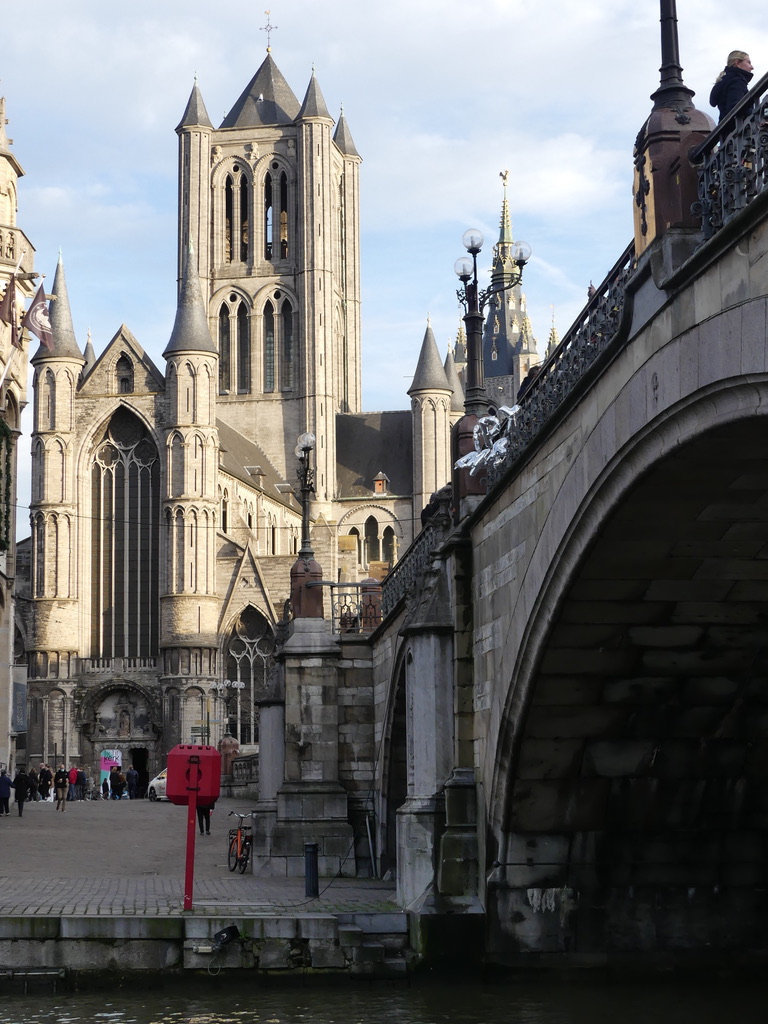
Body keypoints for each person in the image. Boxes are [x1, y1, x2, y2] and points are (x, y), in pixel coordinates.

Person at [710, 50, 754, 122]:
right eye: (748, 62)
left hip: (725, 130)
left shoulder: (725, 81)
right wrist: (754, 112)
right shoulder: (737, 81)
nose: (752, 67)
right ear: (737, 63)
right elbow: (735, 108)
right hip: (737, 130)